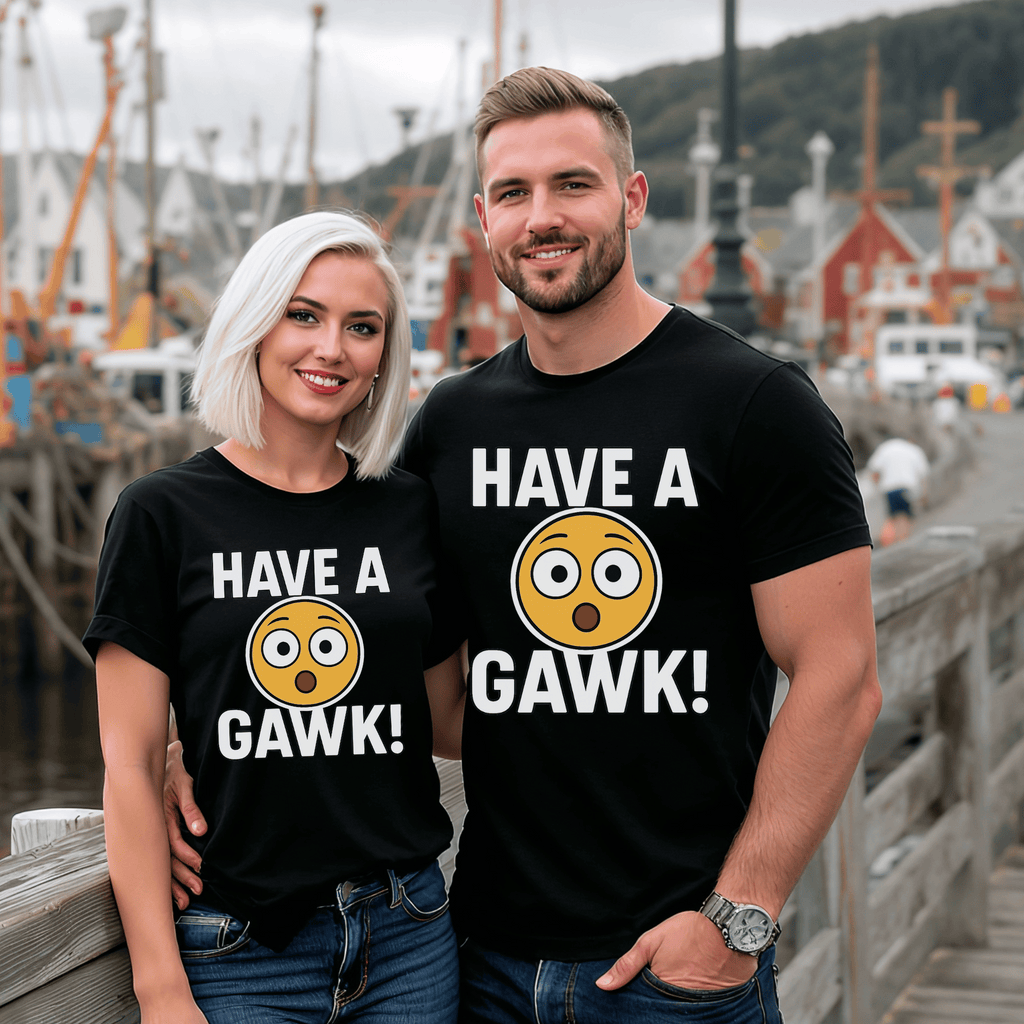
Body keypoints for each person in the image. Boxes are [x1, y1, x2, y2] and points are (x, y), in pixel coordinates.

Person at [168, 69, 882, 1023]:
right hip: (478, 957)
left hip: (670, 968)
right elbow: (379, 650)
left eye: (572, 185)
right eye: (513, 193)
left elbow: (840, 673)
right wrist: (204, 740)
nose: (542, 216)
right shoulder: (450, 426)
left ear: (631, 199)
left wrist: (737, 916)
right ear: (484, 219)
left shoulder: (753, 405)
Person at [86, 212, 465, 1024]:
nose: (332, 347)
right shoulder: (160, 514)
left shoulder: (409, 511)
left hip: (409, 932)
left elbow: (448, 723)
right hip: (238, 946)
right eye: (304, 314)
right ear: (254, 325)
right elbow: (129, 763)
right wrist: (160, 991)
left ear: (381, 361)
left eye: (362, 327)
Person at [867, 435, 930, 546]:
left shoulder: (885, 447)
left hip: (889, 489)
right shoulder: (914, 450)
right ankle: (903, 544)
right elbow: (923, 475)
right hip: (906, 487)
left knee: (894, 517)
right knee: (905, 517)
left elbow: (873, 471)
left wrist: (878, 487)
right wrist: (924, 496)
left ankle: (896, 544)